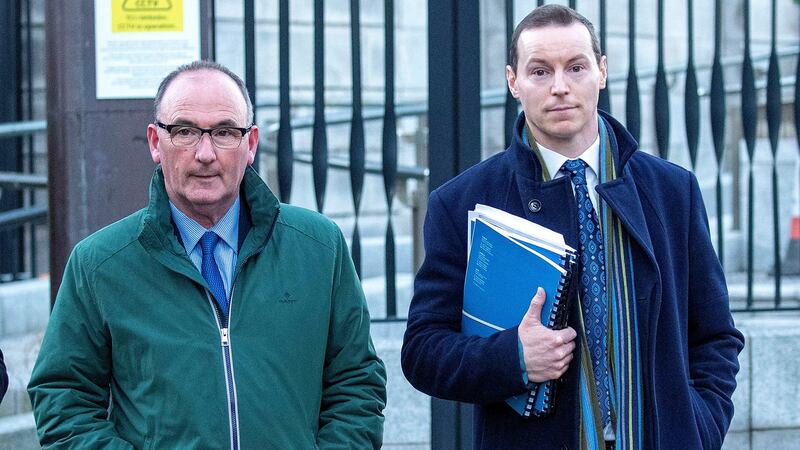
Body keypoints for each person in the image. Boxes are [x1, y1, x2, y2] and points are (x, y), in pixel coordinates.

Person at [401, 4, 744, 449]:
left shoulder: (672, 190)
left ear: (601, 71)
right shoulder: (462, 201)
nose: (560, 87)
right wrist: (514, 358)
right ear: (513, 82)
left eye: (576, 67)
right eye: (540, 71)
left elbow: (716, 335)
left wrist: (700, 425)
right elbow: (423, 351)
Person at [28, 60, 386, 449]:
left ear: (250, 144)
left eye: (224, 132)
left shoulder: (319, 247)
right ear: (154, 142)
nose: (205, 153)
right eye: (184, 131)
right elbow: (64, 401)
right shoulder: (100, 264)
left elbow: (357, 384)